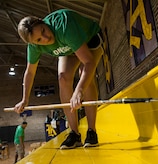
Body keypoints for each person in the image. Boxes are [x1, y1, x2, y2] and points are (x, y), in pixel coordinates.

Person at [14, 9, 104, 149]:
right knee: (63, 78)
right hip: (68, 48)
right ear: (33, 43)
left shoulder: (63, 24)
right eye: (39, 40)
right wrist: (25, 99)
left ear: (42, 21)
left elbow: (89, 62)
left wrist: (79, 90)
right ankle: (74, 133)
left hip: (89, 38)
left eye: (44, 30)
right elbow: (30, 72)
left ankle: (92, 131)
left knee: (84, 75)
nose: (46, 38)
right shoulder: (34, 47)